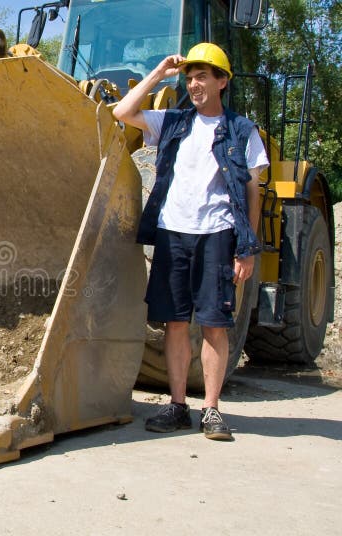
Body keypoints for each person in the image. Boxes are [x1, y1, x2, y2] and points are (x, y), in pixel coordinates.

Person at [113, 43, 269, 440]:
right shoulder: (174, 122)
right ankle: (179, 406)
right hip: (172, 234)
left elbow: (253, 194)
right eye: (189, 76)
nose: (194, 84)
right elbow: (122, 112)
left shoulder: (242, 131)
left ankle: (212, 410)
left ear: (222, 82)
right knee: (175, 324)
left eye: (202, 76)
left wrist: (247, 248)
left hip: (217, 235)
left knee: (215, 325)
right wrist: (159, 73)